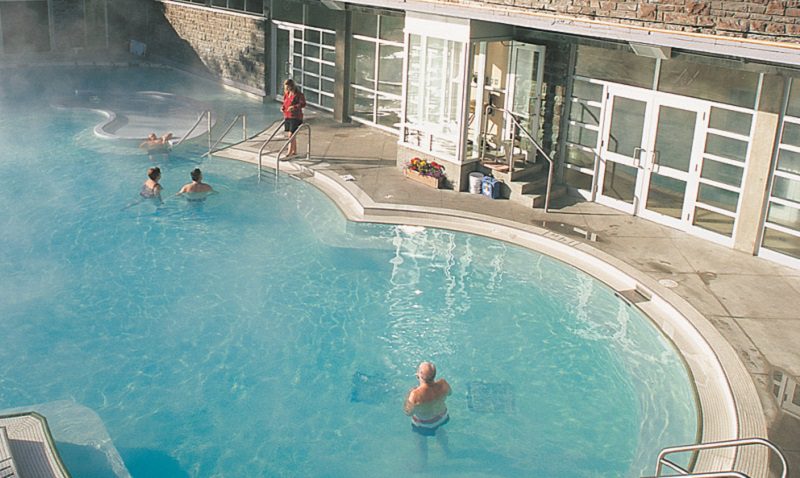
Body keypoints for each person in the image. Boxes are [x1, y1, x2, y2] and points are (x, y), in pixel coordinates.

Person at [404, 361, 452, 468]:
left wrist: (408, 396)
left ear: (418, 375)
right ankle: (447, 452)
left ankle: (422, 465)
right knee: (440, 432)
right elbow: (450, 393)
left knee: (421, 444)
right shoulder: (443, 384)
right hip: (442, 417)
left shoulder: (415, 394)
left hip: (424, 424)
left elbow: (408, 412)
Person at [280, 79, 306, 157]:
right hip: (287, 116)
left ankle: (289, 152)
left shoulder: (299, 95)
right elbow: (285, 103)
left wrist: (294, 107)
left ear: (292, 86)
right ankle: (294, 151)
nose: (286, 89)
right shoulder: (287, 94)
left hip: (296, 117)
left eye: (288, 87)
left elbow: (303, 104)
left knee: (291, 135)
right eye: (285, 87)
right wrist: (282, 108)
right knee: (292, 135)